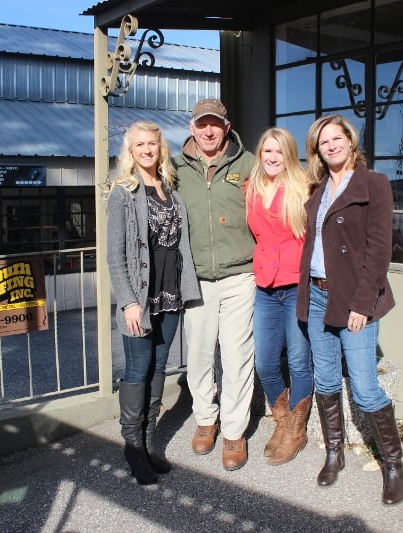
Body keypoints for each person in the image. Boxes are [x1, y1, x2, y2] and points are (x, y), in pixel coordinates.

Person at [296, 114, 403, 505]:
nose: (330, 146)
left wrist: (363, 304)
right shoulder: (318, 188)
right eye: (322, 142)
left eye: (335, 138)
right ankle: (334, 453)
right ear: (318, 151)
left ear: (349, 139)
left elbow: (380, 249)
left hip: (354, 299)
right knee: (325, 380)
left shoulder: (373, 183)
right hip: (318, 295)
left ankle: (394, 465)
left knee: (363, 387)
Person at [105, 120, 201, 485]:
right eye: (140, 145)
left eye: (153, 144)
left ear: (162, 149)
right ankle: (132, 448)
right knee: (138, 369)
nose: (147, 150)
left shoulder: (171, 190)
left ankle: (148, 444)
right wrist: (129, 302)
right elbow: (114, 256)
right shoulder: (123, 193)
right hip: (141, 299)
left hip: (171, 294)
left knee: (159, 369)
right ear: (130, 151)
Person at [174, 98, 256, 471]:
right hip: (196, 279)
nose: (208, 131)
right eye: (201, 124)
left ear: (226, 126)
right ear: (192, 128)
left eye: (215, 124)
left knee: (238, 358)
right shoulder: (174, 169)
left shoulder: (249, 163)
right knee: (199, 355)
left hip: (241, 275)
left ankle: (234, 432)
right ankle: (206, 419)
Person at [245, 127, 313, 466]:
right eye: (267, 151)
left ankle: (296, 432)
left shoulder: (303, 188)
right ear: (261, 155)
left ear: (289, 155)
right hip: (265, 288)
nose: (273, 158)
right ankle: (283, 421)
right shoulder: (251, 190)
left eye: (279, 152)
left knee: (299, 361)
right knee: (266, 362)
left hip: (296, 286)